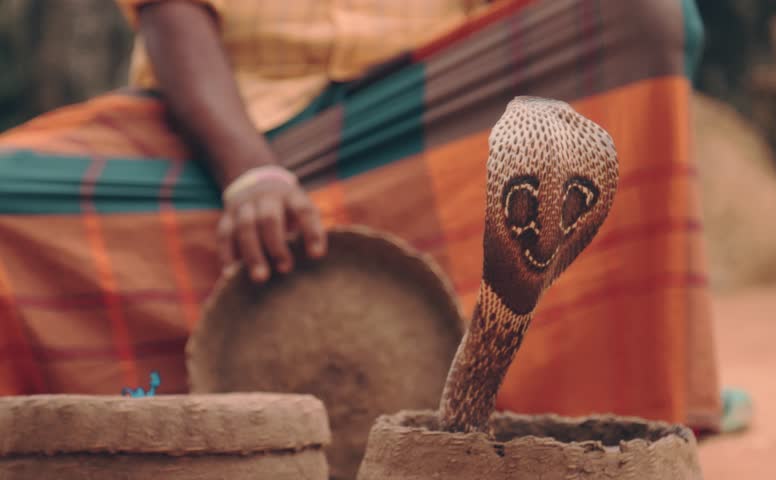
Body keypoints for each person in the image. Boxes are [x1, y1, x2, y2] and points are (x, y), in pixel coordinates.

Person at [0, 0, 725, 433]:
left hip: (415, 124)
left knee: (644, 16)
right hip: (207, 134)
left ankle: (615, 401)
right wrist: (250, 172)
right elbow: (171, 11)